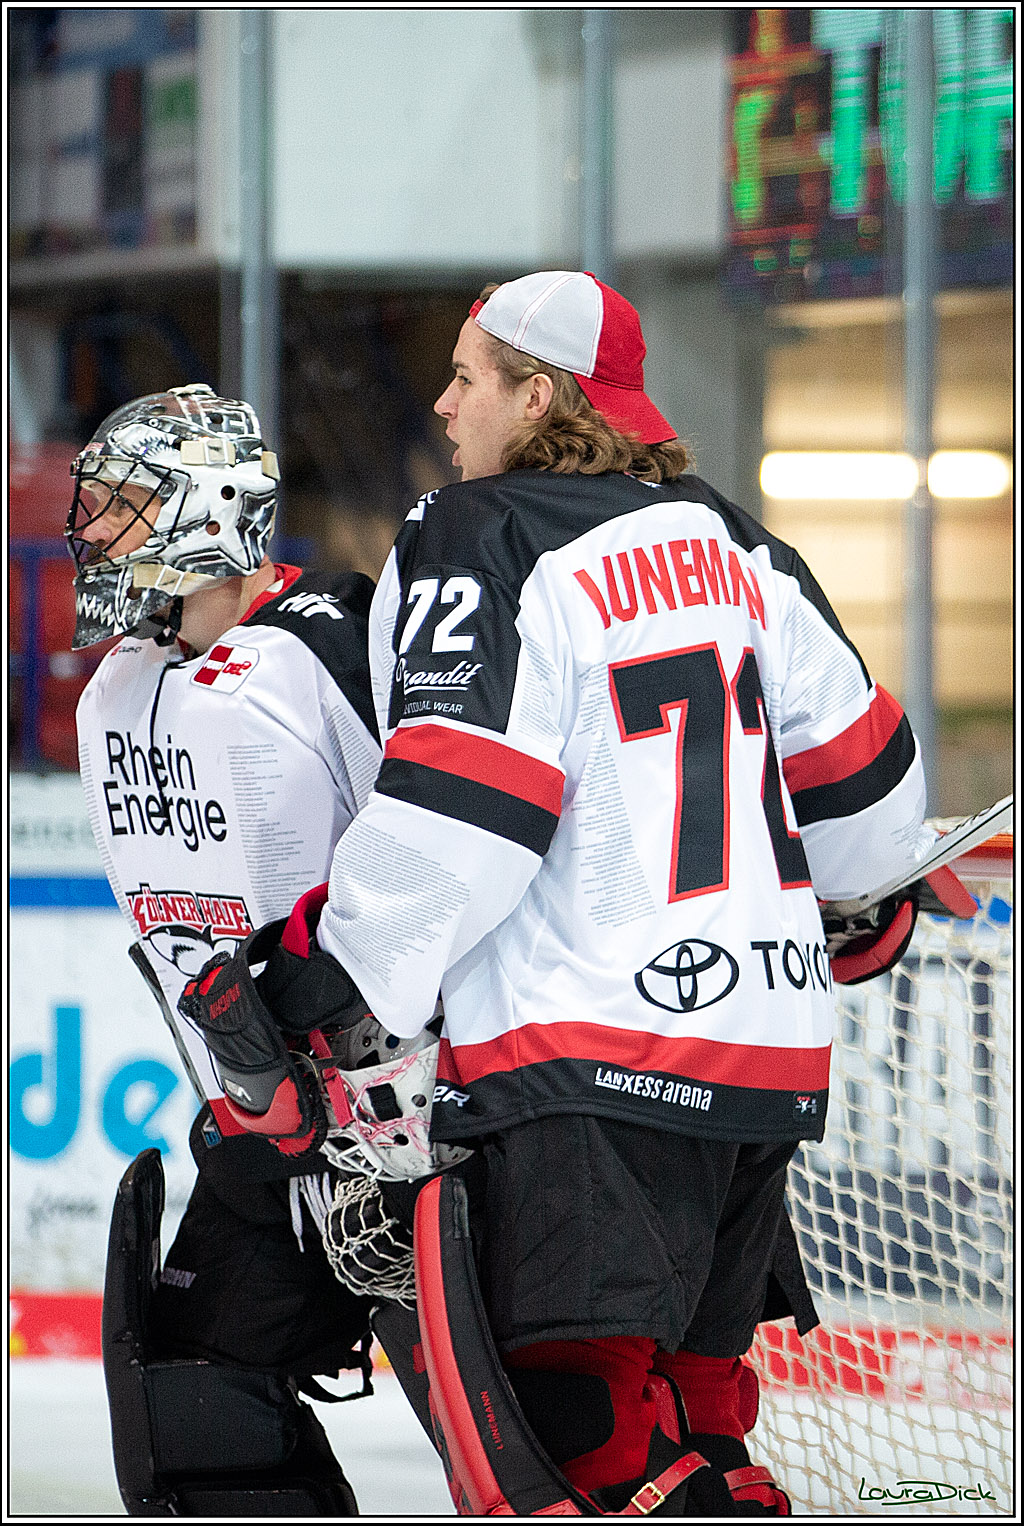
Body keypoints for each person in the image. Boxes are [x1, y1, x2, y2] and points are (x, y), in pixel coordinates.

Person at [180, 276, 949, 1516]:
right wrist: (855, 904)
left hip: (587, 1065)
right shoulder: (740, 542)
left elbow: (458, 817)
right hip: (762, 1071)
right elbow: (871, 823)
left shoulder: (479, 530)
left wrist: (308, 978)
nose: (442, 402)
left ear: (539, 397)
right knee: (699, 1418)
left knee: (588, 1441)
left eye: (470, 376)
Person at [69, 383, 420, 1515]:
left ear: (204, 508)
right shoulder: (114, 686)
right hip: (263, 1124)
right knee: (192, 1404)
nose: (90, 531)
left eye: (119, 504)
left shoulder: (335, 638)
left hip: (424, 1132)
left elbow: (445, 849)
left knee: (528, 1439)